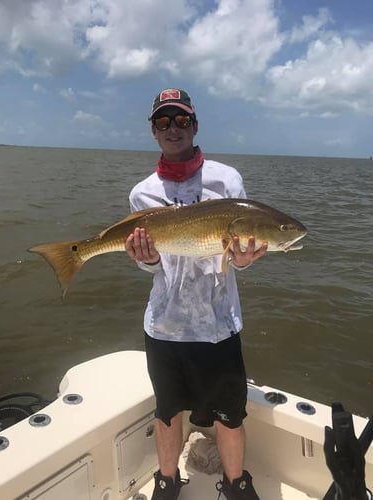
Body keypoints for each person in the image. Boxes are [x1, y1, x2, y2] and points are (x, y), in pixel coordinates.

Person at [125, 88, 267, 500]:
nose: (173, 129)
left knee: (230, 415)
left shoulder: (227, 180)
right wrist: (145, 259)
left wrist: (243, 260)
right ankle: (167, 481)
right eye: (164, 122)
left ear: (195, 125)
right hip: (165, 327)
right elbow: (152, 265)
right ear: (153, 131)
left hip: (219, 324)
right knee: (168, 413)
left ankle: (237, 482)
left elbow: (237, 253)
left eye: (182, 120)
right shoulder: (142, 192)